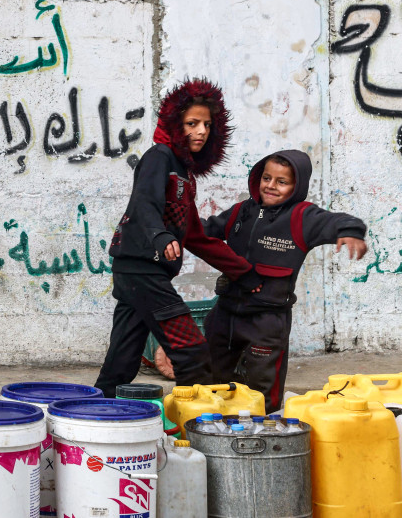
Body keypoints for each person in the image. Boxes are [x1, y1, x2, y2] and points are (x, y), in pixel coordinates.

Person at [94, 78, 262, 398]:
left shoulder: (184, 174)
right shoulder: (159, 157)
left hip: (141, 273)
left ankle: (92, 419)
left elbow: (196, 237)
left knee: (121, 364)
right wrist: (159, 235)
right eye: (192, 123)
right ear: (175, 124)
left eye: (207, 125)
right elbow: (145, 203)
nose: (201, 131)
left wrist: (244, 272)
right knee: (193, 353)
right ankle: (194, 433)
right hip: (141, 268)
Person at [202, 150, 367, 412]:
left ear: (296, 186)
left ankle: (264, 437)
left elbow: (338, 221)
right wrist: (173, 227)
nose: (270, 186)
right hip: (225, 313)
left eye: (282, 182)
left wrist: (351, 232)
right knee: (212, 382)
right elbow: (204, 230)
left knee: (263, 390)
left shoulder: (302, 217)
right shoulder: (241, 211)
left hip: (267, 322)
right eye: (266, 178)